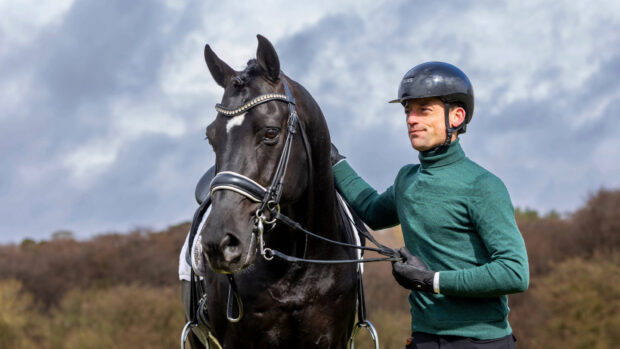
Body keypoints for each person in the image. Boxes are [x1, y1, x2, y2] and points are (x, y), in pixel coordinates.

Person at [331, 62, 529, 348]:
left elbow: (514, 272)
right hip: (423, 338)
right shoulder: (406, 179)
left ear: (457, 116)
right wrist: (335, 161)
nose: (411, 119)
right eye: (407, 110)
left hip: (480, 342)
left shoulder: (483, 185)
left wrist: (431, 281)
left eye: (424, 110)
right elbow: (372, 211)